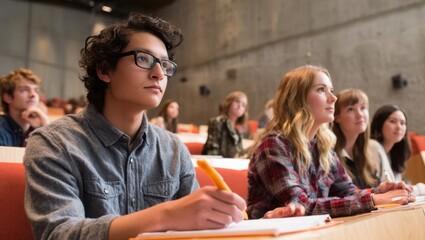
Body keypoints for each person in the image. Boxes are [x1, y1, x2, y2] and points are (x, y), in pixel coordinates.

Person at [24, 12, 246, 240]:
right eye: (144, 59)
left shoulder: (173, 149)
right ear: (104, 70)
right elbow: (59, 233)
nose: (159, 73)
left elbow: (199, 229)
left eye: (165, 64)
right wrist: (166, 215)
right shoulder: (55, 143)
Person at [246, 65, 414, 220]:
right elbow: (301, 205)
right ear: (297, 99)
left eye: (331, 91)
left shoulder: (322, 146)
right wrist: (373, 199)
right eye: (321, 90)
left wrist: (380, 191)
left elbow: (348, 192)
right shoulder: (273, 145)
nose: (333, 98)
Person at [332, 89, 392, 189]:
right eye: (351, 109)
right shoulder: (331, 155)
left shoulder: (368, 153)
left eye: (363, 108)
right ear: (336, 117)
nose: (360, 115)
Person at [371, 104, 425, 195]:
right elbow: (391, 192)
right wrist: (424, 188)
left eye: (402, 123)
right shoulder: (373, 147)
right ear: (379, 124)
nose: (399, 127)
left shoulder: (393, 154)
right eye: (393, 121)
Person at [0, 68, 49, 146]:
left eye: (36, 90)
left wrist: (45, 124)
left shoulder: (37, 127)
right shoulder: (1, 130)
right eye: (25, 89)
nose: (33, 95)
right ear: (8, 97)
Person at [202, 91, 248, 158]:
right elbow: (212, 153)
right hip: (217, 165)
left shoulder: (237, 130)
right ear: (228, 103)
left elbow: (240, 153)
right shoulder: (217, 122)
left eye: (243, 105)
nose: (240, 106)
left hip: (232, 164)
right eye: (237, 101)